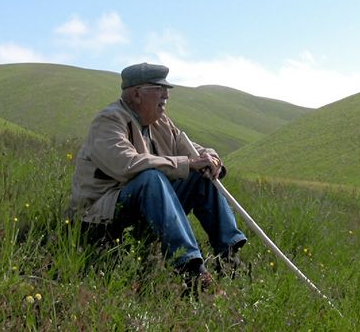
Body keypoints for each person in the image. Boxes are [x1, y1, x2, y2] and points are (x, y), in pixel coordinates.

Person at [69, 62, 247, 289]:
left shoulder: (159, 121)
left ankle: (229, 256)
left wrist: (211, 160)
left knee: (198, 176)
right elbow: (127, 164)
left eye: (166, 90)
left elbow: (190, 149)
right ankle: (191, 270)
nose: (166, 96)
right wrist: (188, 163)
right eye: (158, 88)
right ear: (136, 94)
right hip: (100, 215)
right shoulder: (109, 121)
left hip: (146, 207)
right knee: (151, 178)